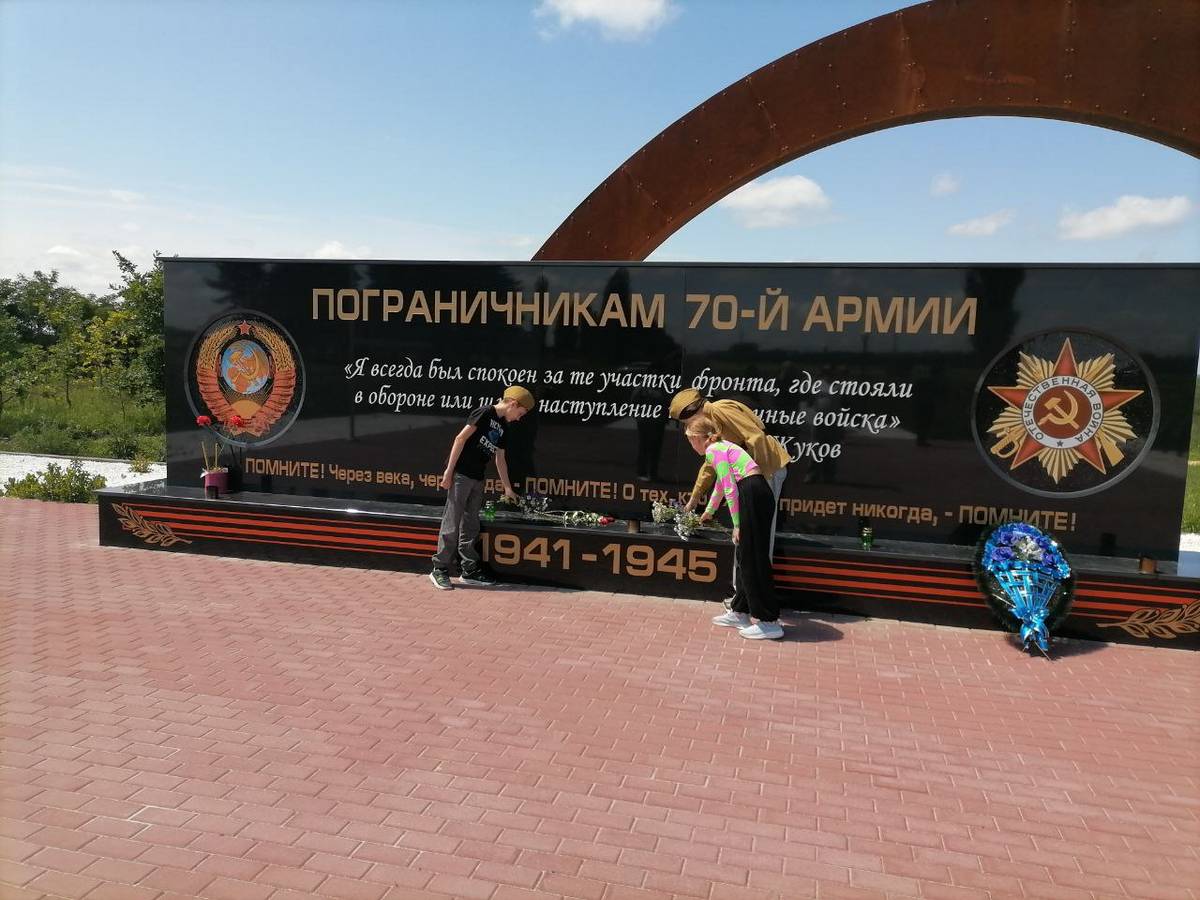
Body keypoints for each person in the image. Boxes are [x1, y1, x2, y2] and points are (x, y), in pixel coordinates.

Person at [669, 388, 790, 605]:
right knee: (745, 537)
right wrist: (695, 499)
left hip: (766, 471)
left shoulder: (719, 409)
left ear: (692, 412)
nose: (688, 429)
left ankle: (758, 600)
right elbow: (710, 466)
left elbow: (756, 438)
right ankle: (742, 598)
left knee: (760, 539)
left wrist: (759, 479)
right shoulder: (710, 424)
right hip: (752, 478)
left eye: (686, 422)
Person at [684, 416, 783, 640]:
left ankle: (769, 621)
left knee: (752, 557)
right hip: (755, 492)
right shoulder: (720, 447)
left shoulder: (713, 450)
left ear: (699, 438)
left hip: (752, 493)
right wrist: (709, 510)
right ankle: (741, 611)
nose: (691, 445)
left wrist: (737, 525)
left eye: (691, 440)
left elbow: (730, 489)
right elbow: (721, 484)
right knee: (744, 555)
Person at [429, 386, 534, 590]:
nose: (519, 418)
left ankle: (469, 570)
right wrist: (449, 472)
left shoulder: (503, 427)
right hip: (461, 476)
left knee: (471, 525)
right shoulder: (485, 412)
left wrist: (508, 488)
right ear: (513, 404)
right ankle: (439, 568)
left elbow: (500, 459)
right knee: (452, 522)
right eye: (520, 413)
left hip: (478, 479)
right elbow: (460, 439)